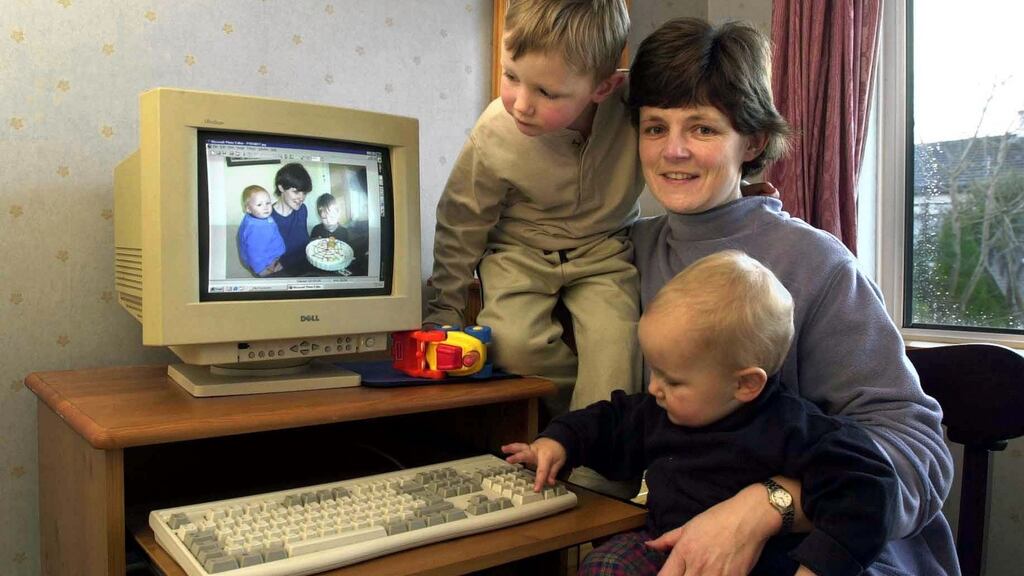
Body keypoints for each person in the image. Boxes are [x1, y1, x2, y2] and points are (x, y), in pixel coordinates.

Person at [621, 17, 958, 575]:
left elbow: (922, 454)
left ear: (751, 140)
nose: (673, 150)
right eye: (655, 127)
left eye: (702, 129)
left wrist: (767, 505)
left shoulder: (817, 264)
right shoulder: (625, 254)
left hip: (841, 546)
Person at [503, 250, 899, 576]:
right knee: (604, 565)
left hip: (765, 564)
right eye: (654, 370)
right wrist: (558, 441)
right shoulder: (659, 411)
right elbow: (609, 420)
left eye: (672, 381)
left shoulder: (792, 426)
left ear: (745, 384)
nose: (654, 387)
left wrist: (818, 567)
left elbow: (869, 487)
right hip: (665, 549)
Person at [427, 0, 642, 425]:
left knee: (617, 349)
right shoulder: (494, 130)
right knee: (511, 344)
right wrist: (443, 312)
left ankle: (599, 473)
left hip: (604, 253)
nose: (521, 103)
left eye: (546, 92)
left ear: (603, 87)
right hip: (519, 252)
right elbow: (460, 224)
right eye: (511, 77)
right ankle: (573, 425)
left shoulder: (638, 110)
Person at [271, 162, 313, 275]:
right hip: (285, 274)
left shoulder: (302, 209)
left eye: (304, 193)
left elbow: (304, 242)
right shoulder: (267, 219)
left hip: (308, 266)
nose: (301, 198)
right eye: (296, 191)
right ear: (281, 187)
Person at [236, 184, 285, 277]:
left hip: (271, 255)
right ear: (248, 209)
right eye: (259, 204)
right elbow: (254, 253)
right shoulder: (255, 229)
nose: (265, 207)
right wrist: (261, 270)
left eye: (268, 203)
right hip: (265, 265)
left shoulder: (259, 216)